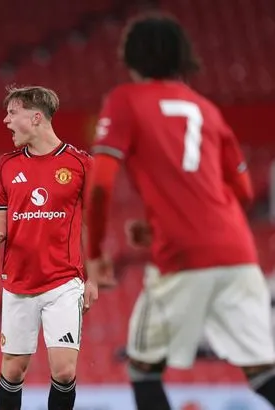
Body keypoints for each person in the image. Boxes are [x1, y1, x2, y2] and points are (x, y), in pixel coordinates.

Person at [85, 13, 275, 410]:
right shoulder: (207, 109)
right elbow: (241, 191)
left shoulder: (125, 100)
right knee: (262, 373)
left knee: (143, 366)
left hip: (182, 257)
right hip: (238, 253)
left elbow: (100, 184)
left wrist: (96, 252)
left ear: (130, 57)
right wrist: (167, 223)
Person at [0, 85, 99, 410]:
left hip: (63, 282)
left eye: (13, 113)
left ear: (36, 117)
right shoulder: (6, 165)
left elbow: (92, 226)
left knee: (64, 372)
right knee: (13, 370)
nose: (6, 121)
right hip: (18, 283)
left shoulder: (81, 163)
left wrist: (93, 278)